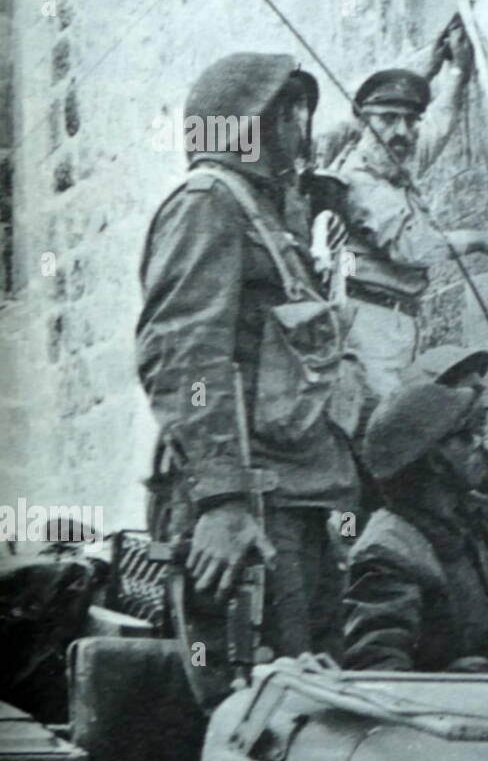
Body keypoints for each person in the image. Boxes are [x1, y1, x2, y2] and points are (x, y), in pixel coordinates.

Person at [136, 53, 360, 699]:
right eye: (289, 110)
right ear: (251, 123)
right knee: (266, 703)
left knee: (319, 700)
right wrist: (222, 499)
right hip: (255, 512)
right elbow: (183, 352)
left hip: (301, 499)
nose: (302, 125)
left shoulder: (270, 215)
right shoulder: (207, 203)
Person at [309, 21, 488, 427]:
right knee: (382, 427)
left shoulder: (393, 161)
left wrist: (453, 70)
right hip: (370, 327)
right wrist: (482, 240)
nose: (403, 132)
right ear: (363, 123)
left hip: (396, 321)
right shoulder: (359, 183)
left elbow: (439, 124)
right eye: (388, 119)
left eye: (410, 121)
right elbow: (416, 249)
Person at [341, 346, 488, 673]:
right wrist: (446, 684)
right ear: (433, 460)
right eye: (465, 436)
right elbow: (377, 676)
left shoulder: (471, 515)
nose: (479, 444)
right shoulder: (389, 549)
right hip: (470, 715)